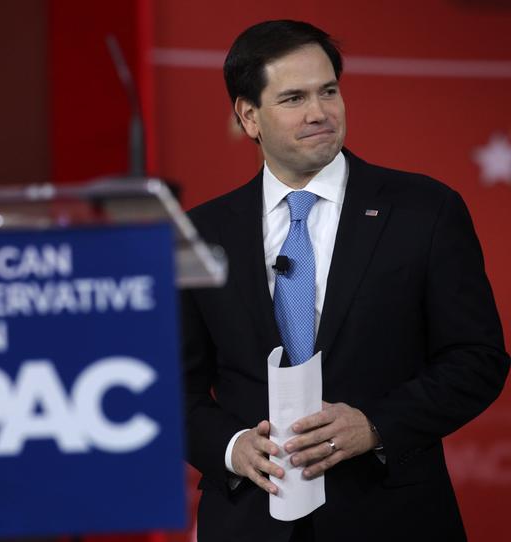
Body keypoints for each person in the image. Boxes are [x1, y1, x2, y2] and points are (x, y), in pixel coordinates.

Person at [181, 19, 509, 542]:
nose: (319, 113)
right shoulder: (200, 233)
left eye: (328, 91)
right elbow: (177, 386)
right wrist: (231, 446)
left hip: (391, 515)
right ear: (249, 117)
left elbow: (477, 357)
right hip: (248, 521)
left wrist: (376, 425)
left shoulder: (424, 210)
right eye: (293, 98)